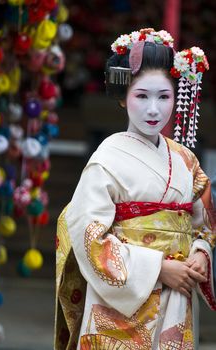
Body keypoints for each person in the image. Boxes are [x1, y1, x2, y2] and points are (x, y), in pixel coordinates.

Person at [55, 28, 216, 350]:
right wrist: (158, 268)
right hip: (120, 304)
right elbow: (88, 234)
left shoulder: (185, 160)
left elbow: (204, 223)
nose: (154, 109)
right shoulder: (107, 160)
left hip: (176, 292)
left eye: (164, 96)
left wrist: (201, 252)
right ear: (122, 96)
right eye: (142, 96)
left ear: (178, 97)